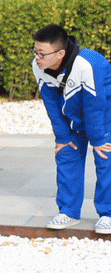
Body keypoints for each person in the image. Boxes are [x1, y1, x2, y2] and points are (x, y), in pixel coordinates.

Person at [31, 24, 111, 234]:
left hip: (105, 116)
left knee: (106, 159)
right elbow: (50, 102)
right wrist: (62, 135)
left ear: (61, 53)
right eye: (35, 51)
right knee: (66, 154)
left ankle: (108, 214)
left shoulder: (88, 64)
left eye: (42, 53)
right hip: (73, 118)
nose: (37, 57)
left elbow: (95, 106)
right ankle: (68, 211)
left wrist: (98, 140)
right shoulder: (38, 66)